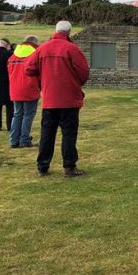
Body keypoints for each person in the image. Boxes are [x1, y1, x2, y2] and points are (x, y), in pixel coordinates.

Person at [26, 21, 90, 177]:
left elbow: (29, 68)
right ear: (69, 32)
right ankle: (69, 167)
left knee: (47, 133)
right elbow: (84, 72)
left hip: (49, 99)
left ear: (55, 30)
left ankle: (42, 166)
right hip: (69, 99)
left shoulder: (42, 48)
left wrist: (43, 80)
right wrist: (75, 82)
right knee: (69, 133)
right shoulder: (72, 49)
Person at [8, 35, 41, 148]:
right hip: (30, 89)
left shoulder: (13, 56)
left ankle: (13, 140)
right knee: (28, 115)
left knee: (17, 115)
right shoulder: (34, 54)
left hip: (15, 89)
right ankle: (24, 139)